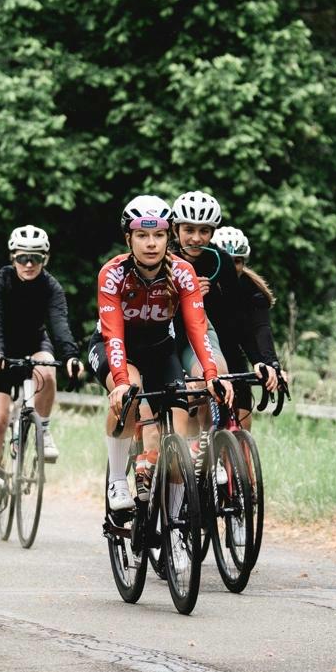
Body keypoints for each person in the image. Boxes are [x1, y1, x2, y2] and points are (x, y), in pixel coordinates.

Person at [88, 195, 227, 514]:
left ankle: (176, 522)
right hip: (116, 348)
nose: (151, 243)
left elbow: (197, 328)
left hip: (160, 350)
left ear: (168, 236)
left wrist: (210, 375)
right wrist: (120, 382)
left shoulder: (183, 272)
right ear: (129, 238)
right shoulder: (113, 273)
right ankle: (117, 480)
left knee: (179, 433)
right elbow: (114, 334)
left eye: (159, 235)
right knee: (130, 394)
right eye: (142, 235)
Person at [0, 225, 83, 524]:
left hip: (34, 343)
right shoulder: (0, 282)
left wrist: (71, 357)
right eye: (23, 258)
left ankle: (43, 429)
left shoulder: (51, 286)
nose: (29, 264)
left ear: (45, 259)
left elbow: (59, 324)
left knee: (47, 370)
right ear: (13, 258)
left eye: (36, 258)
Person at [168, 190, 285, 405]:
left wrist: (260, 361)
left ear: (213, 232)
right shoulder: (164, 259)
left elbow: (238, 317)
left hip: (216, 338)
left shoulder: (221, 261)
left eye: (204, 231)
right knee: (192, 397)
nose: (196, 238)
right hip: (173, 337)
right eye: (189, 230)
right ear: (176, 229)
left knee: (234, 401)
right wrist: (186, 296)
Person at [211, 224, 283, 430]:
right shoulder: (202, 284)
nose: (231, 266)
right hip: (203, 353)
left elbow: (261, 329)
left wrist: (270, 364)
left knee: (244, 421)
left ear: (244, 263)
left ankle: (240, 449)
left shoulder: (251, 290)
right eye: (225, 259)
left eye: (237, 261)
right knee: (206, 418)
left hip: (233, 353)